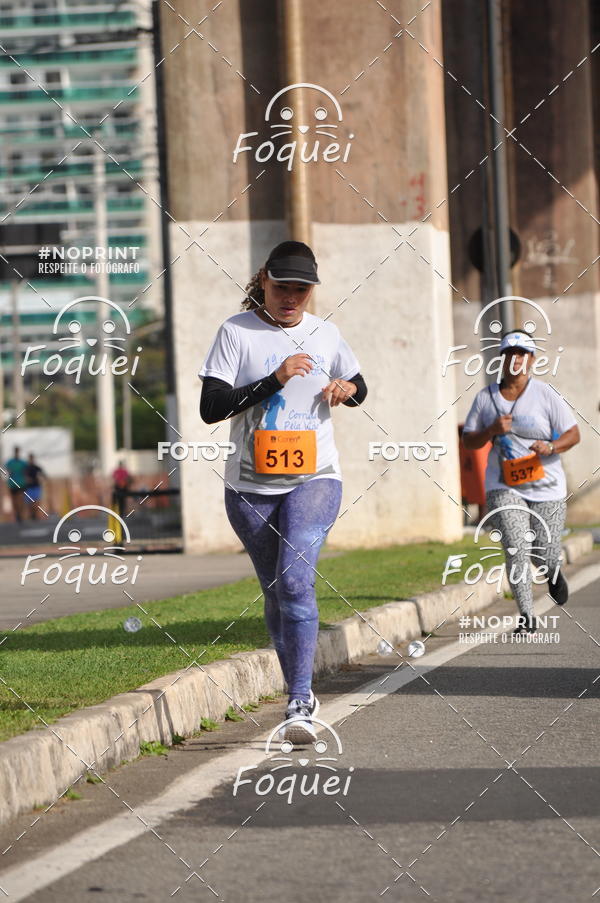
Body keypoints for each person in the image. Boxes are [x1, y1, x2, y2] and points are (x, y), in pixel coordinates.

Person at [200, 240, 367, 742]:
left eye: (301, 290)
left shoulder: (327, 333)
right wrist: (274, 378)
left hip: (315, 478)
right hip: (249, 486)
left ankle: (299, 699)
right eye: (281, 287)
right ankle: (295, 684)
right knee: (275, 588)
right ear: (263, 282)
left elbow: (359, 384)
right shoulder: (237, 332)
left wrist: (347, 391)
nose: (291, 298)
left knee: (295, 582)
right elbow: (212, 407)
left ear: (312, 291)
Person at [462, 330, 580, 634]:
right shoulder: (485, 398)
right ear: (501, 360)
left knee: (546, 552)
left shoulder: (545, 394)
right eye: (510, 353)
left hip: (547, 485)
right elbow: (470, 440)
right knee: (516, 547)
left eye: (522, 354)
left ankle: (552, 572)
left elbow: (573, 434)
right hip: (504, 485)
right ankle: (527, 615)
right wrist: (490, 429)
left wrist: (551, 447)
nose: (516, 359)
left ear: (531, 360)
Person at [5, 446, 28, 522]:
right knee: (14, 501)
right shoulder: (10, 462)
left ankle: (20, 515)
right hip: (12, 484)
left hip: (21, 483)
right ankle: (17, 514)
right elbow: (7, 470)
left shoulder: (23, 462)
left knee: (21, 499)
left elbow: (26, 472)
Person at [24, 453, 45, 520]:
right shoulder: (26, 468)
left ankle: (35, 515)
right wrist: (26, 479)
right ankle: (31, 515)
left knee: (36, 502)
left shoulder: (36, 467)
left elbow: (43, 475)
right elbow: (23, 476)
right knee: (29, 503)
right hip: (28, 488)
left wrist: (41, 480)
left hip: (36, 487)